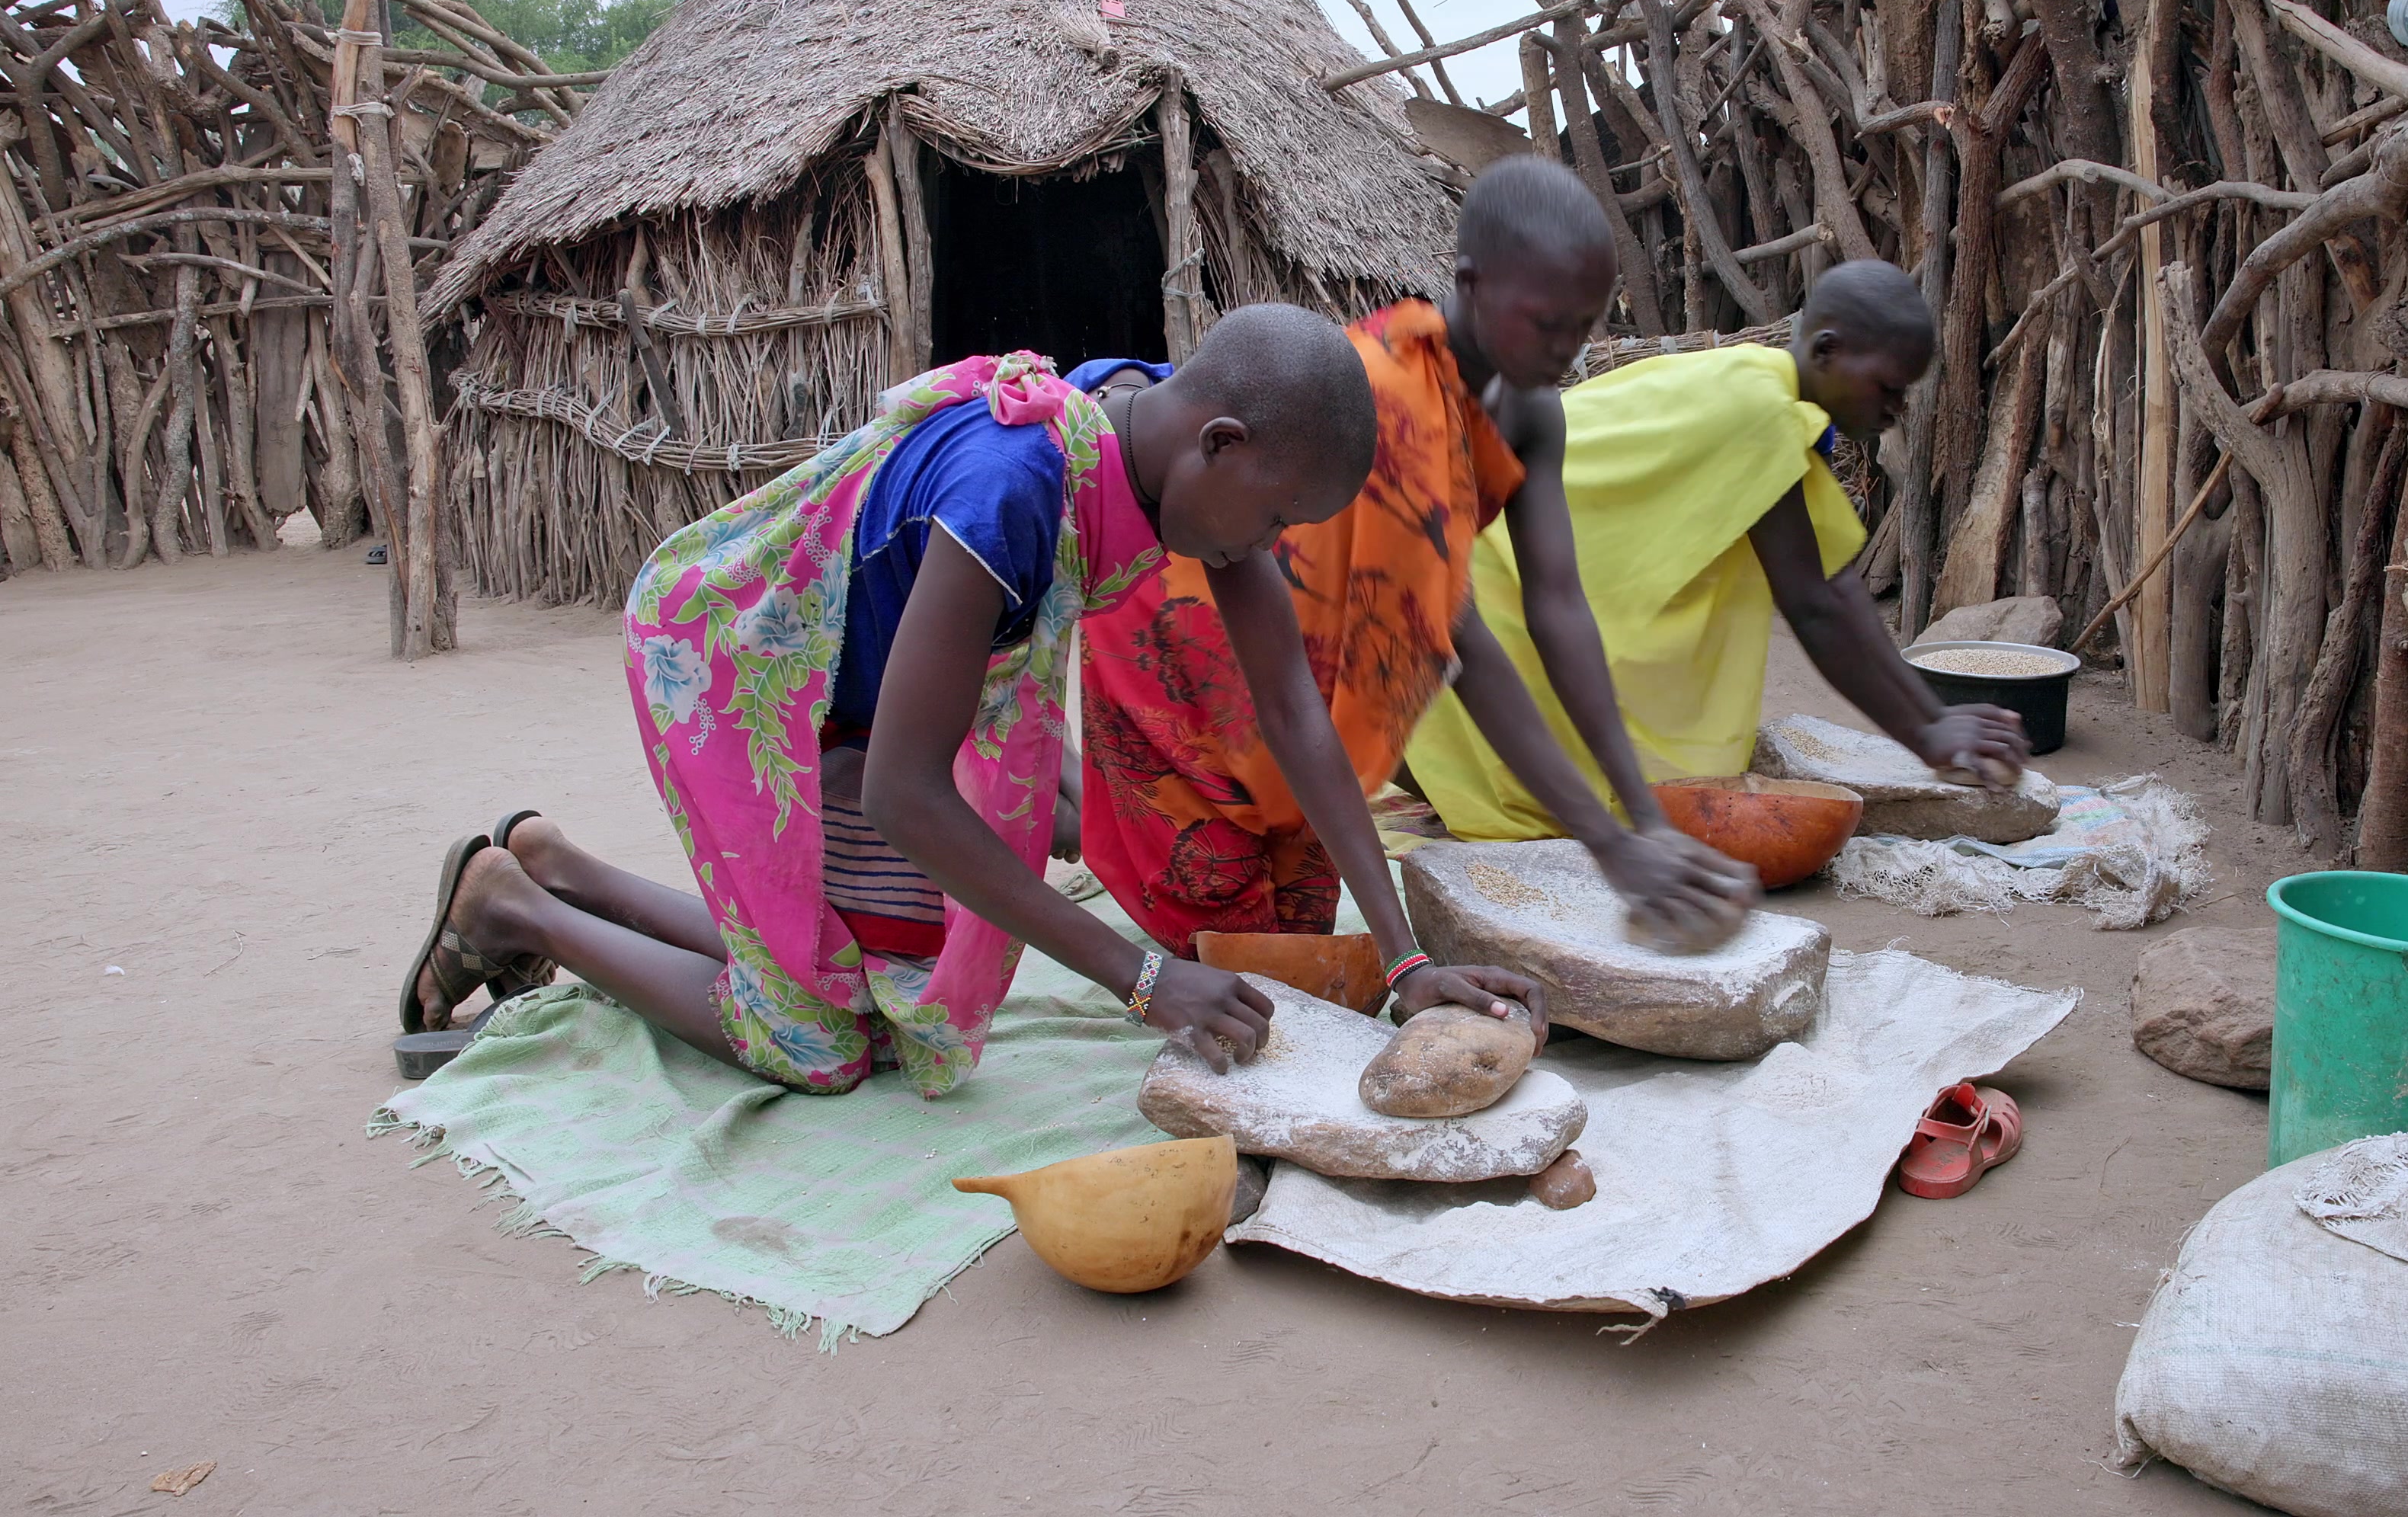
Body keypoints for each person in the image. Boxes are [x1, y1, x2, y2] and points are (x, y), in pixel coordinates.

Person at [399, 305, 1541, 1097]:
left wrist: (1400, 961)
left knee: (881, 991)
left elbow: (1294, 715)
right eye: (1280, 519)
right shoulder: (1011, 493)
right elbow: (905, 791)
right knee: (817, 1043)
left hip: (865, 686)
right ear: (1220, 444)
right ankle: (518, 909)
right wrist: (1141, 977)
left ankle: (562, 865)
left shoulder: (1149, 426)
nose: (1275, 549)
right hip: (745, 659)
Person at [1073, 158, 1753, 955]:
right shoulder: (1381, 395)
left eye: (1584, 325)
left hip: (1298, 693)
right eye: (1546, 324)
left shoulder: (1531, 416)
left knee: (1306, 951)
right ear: (1472, 283)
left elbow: (1559, 609)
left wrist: (1640, 818)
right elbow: (1462, 646)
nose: (1568, 351)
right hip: (1189, 659)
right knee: (1240, 968)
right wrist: (1606, 842)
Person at [1403, 259, 2029, 838]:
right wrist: (1927, 729)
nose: (1895, 410)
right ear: (1828, 352)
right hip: (1491, 568)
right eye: (1887, 388)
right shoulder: (1764, 412)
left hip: (1482, 552)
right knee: (1516, 787)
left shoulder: (1756, 387)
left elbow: (1829, 589)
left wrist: (1930, 719)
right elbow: (1818, 603)